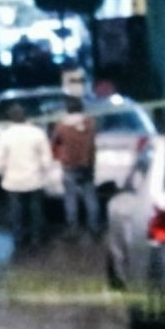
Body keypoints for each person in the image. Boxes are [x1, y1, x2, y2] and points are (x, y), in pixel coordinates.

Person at [0, 104, 53, 248]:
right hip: (34, 178)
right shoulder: (37, 133)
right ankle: (36, 237)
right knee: (36, 210)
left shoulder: (5, 135)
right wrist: (45, 170)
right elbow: (46, 156)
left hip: (13, 180)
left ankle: (18, 238)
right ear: (25, 117)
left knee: (16, 211)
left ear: (10, 118)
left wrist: (0, 172)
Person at [51, 99, 100, 237]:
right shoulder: (90, 123)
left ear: (67, 110)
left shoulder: (61, 126)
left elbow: (55, 142)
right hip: (87, 164)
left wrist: (58, 156)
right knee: (90, 195)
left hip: (69, 165)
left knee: (70, 198)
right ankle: (94, 226)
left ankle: (73, 228)